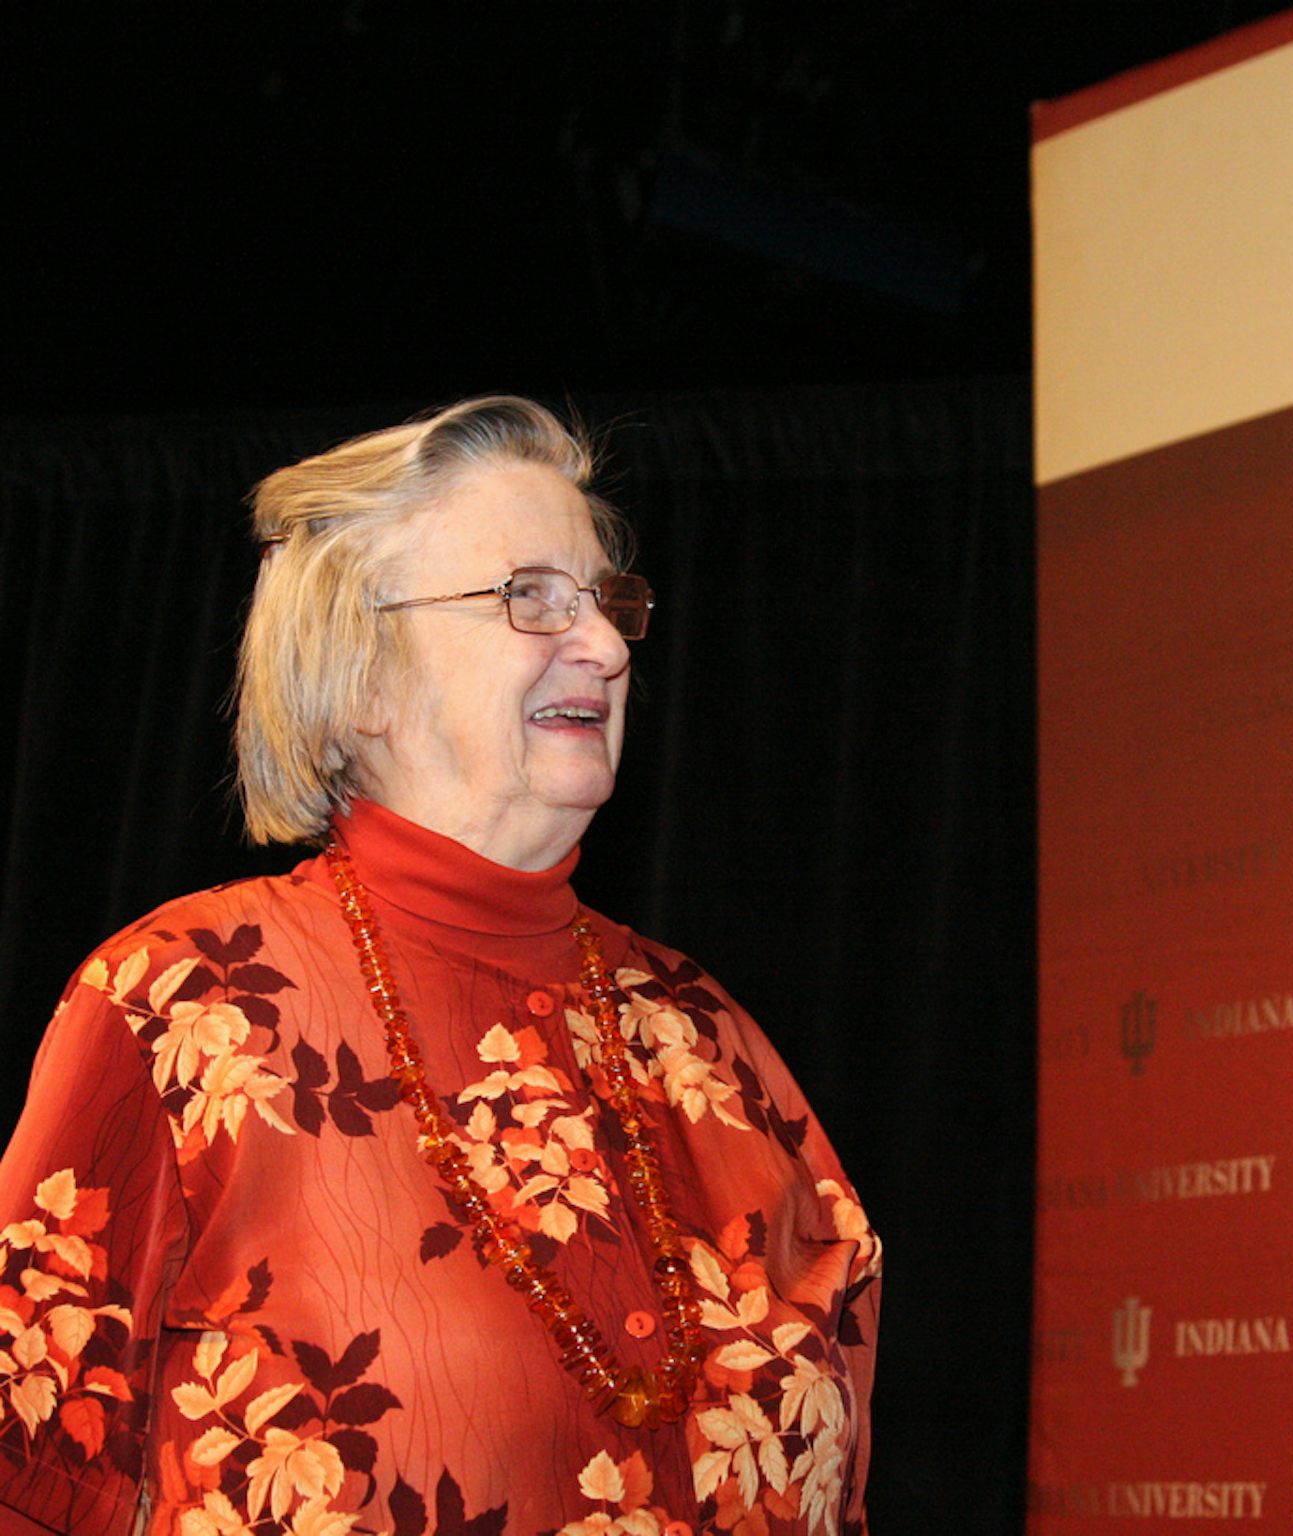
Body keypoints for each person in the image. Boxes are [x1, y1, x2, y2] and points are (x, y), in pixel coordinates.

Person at [0, 397, 880, 1535]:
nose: (608, 647)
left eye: (607, 600)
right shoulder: (185, 1006)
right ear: (360, 675)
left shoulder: (705, 1035)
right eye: (531, 598)